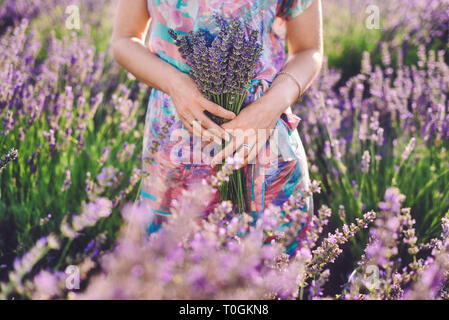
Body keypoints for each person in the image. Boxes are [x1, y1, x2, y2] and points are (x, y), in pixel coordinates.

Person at [111, 0, 323, 257]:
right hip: (177, 144)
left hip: (264, 138)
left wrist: (270, 106)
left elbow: (308, 49)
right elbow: (124, 40)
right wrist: (175, 83)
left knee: (271, 272)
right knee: (175, 273)